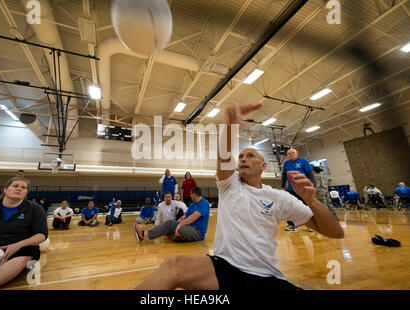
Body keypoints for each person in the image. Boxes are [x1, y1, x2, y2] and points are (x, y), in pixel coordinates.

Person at [131, 103, 343, 290]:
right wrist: (230, 124)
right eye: (240, 156)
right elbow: (224, 158)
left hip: (267, 277)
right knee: (173, 265)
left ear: (263, 166)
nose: (243, 159)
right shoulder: (229, 185)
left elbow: (335, 233)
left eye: (250, 156)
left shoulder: (279, 197)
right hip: (224, 269)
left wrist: (311, 201)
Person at [133, 186, 210, 243]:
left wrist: (179, 226)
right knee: (169, 223)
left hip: (197, 232)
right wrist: (176, 224)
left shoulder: (204, 203)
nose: (190, 196)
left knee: (180, 229)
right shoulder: (193, 204)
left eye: (190, 194)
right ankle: (143, 234)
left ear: (194, 194)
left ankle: (173, 235)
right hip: (188, 227)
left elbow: (193, 217)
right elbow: (184, 216)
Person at [281, 148, 315, 231]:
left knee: (307, 207)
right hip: (291, 190)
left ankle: (311, 225)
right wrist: (283, 186)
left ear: (297, 153)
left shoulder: (304, 162)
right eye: (289, 153)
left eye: (293, 153)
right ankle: (292, 225)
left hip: (304, 189)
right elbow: (284, 176)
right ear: (288, 155)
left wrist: (313, 185)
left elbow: (310, 174)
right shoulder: (286, 164)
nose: (291, 154)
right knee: (292, 207)